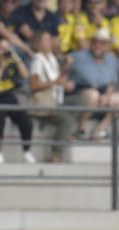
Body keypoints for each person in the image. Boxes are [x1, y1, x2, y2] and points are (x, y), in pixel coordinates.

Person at [68, 27, 119, 140]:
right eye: (95, 42)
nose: (98, 46)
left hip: (102, 93)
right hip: (80, 92)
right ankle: (80, 129)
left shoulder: (112, 59)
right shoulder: (77, 56)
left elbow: (111, 83)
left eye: (103, 43)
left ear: (108, 46)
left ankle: (100, 130)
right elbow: (63, 72)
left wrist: (107, 96)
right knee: (93, 95)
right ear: (91, 43)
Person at [0, 36, 34, 163]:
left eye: (6, 48)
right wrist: (1, 67)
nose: (4, 51)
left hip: (9, 98)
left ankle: (26, 151)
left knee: (25, 119)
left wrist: (16, 57)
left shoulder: (13, 63)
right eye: (1, 48)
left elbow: (25, 75)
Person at [29, 30, 75, 162]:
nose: (51, 42)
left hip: (56, 99)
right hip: (43, 103)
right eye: (47, 40)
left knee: (82, 101)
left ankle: (66, 133)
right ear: (38, 43)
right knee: (67, 120)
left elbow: (57, 78)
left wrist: (66, 67)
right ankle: (56, 154)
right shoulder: (37, 60)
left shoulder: (51, 57)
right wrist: (55, 83)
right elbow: (33, 85)